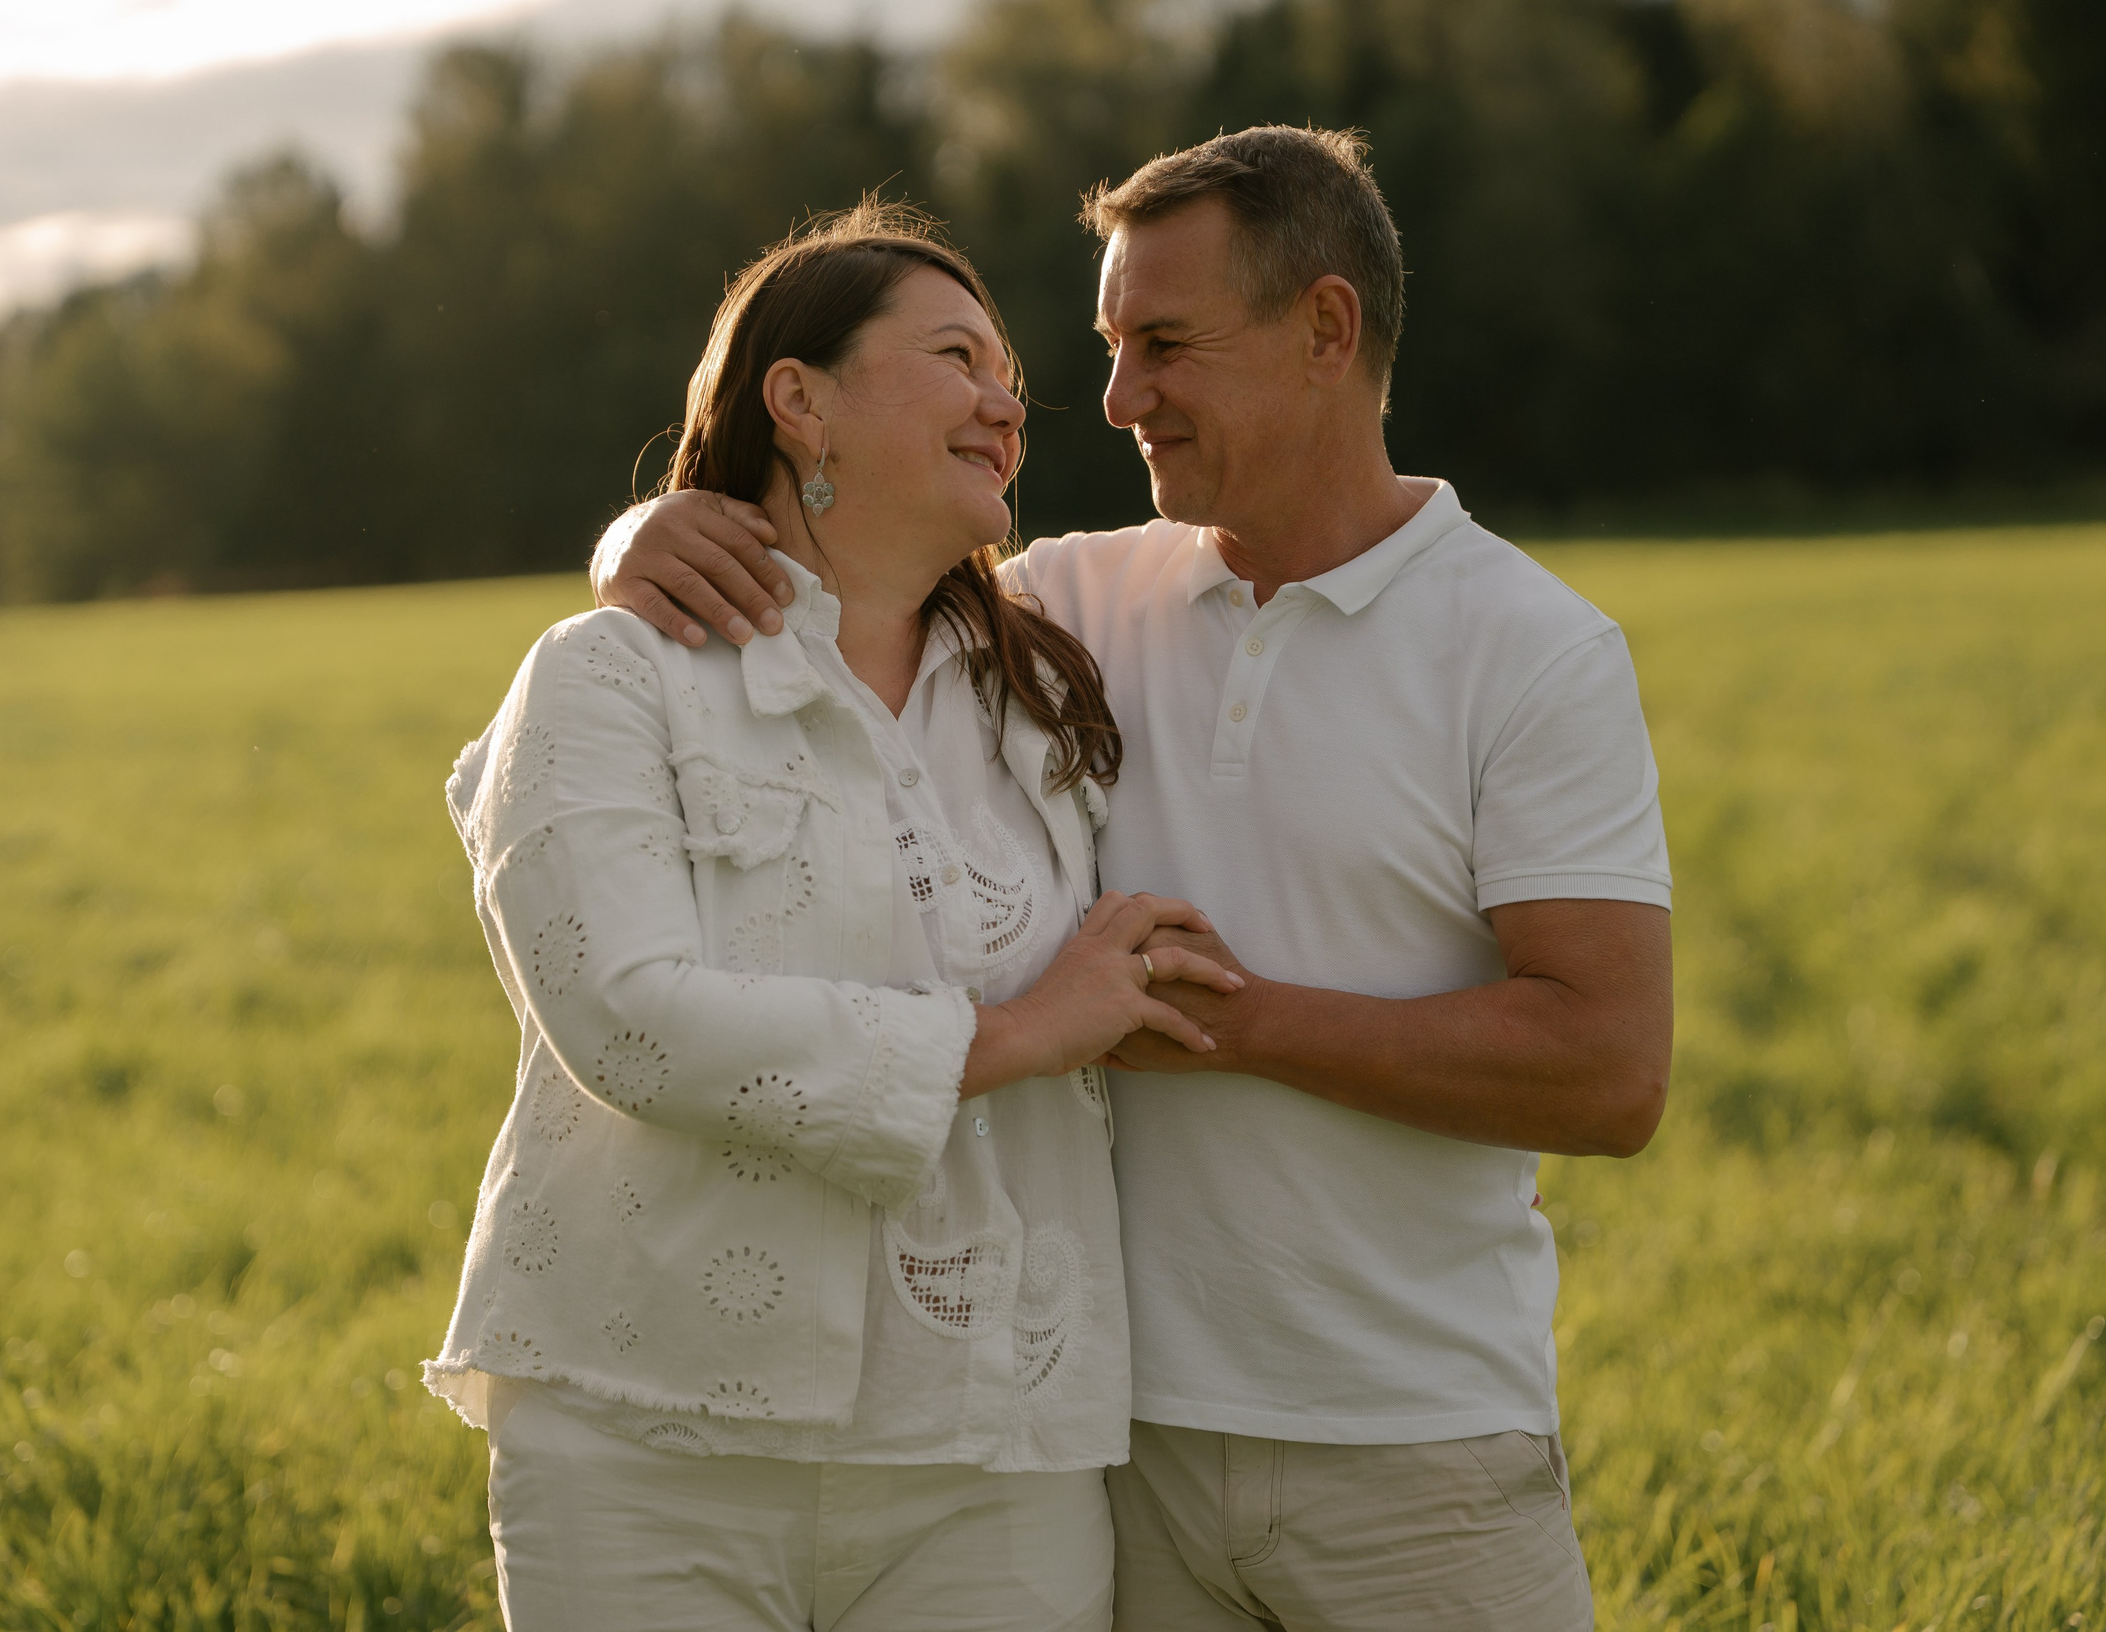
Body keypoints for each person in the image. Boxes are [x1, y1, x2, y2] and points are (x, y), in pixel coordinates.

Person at [596, 127, 1675, 1631]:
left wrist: (1228, 1018)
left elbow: (1609, 1070)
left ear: (1325, 330)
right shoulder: (1067, 609)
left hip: (1417, 1450)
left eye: (1163, 343)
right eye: (1109, 346)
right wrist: (642, 530)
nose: (1114, 401)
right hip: (1119, 1451)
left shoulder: (1533, 650)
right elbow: (843, 580)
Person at [424, 199, 1244, 1632]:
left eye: (1009, 373)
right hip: (648, 1443)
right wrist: (1019, 1034)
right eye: (957, 358)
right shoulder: (611, 676)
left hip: (994, 1452)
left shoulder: (1051, 676)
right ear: (799, 401)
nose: (1011, 402)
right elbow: (625, 1015)